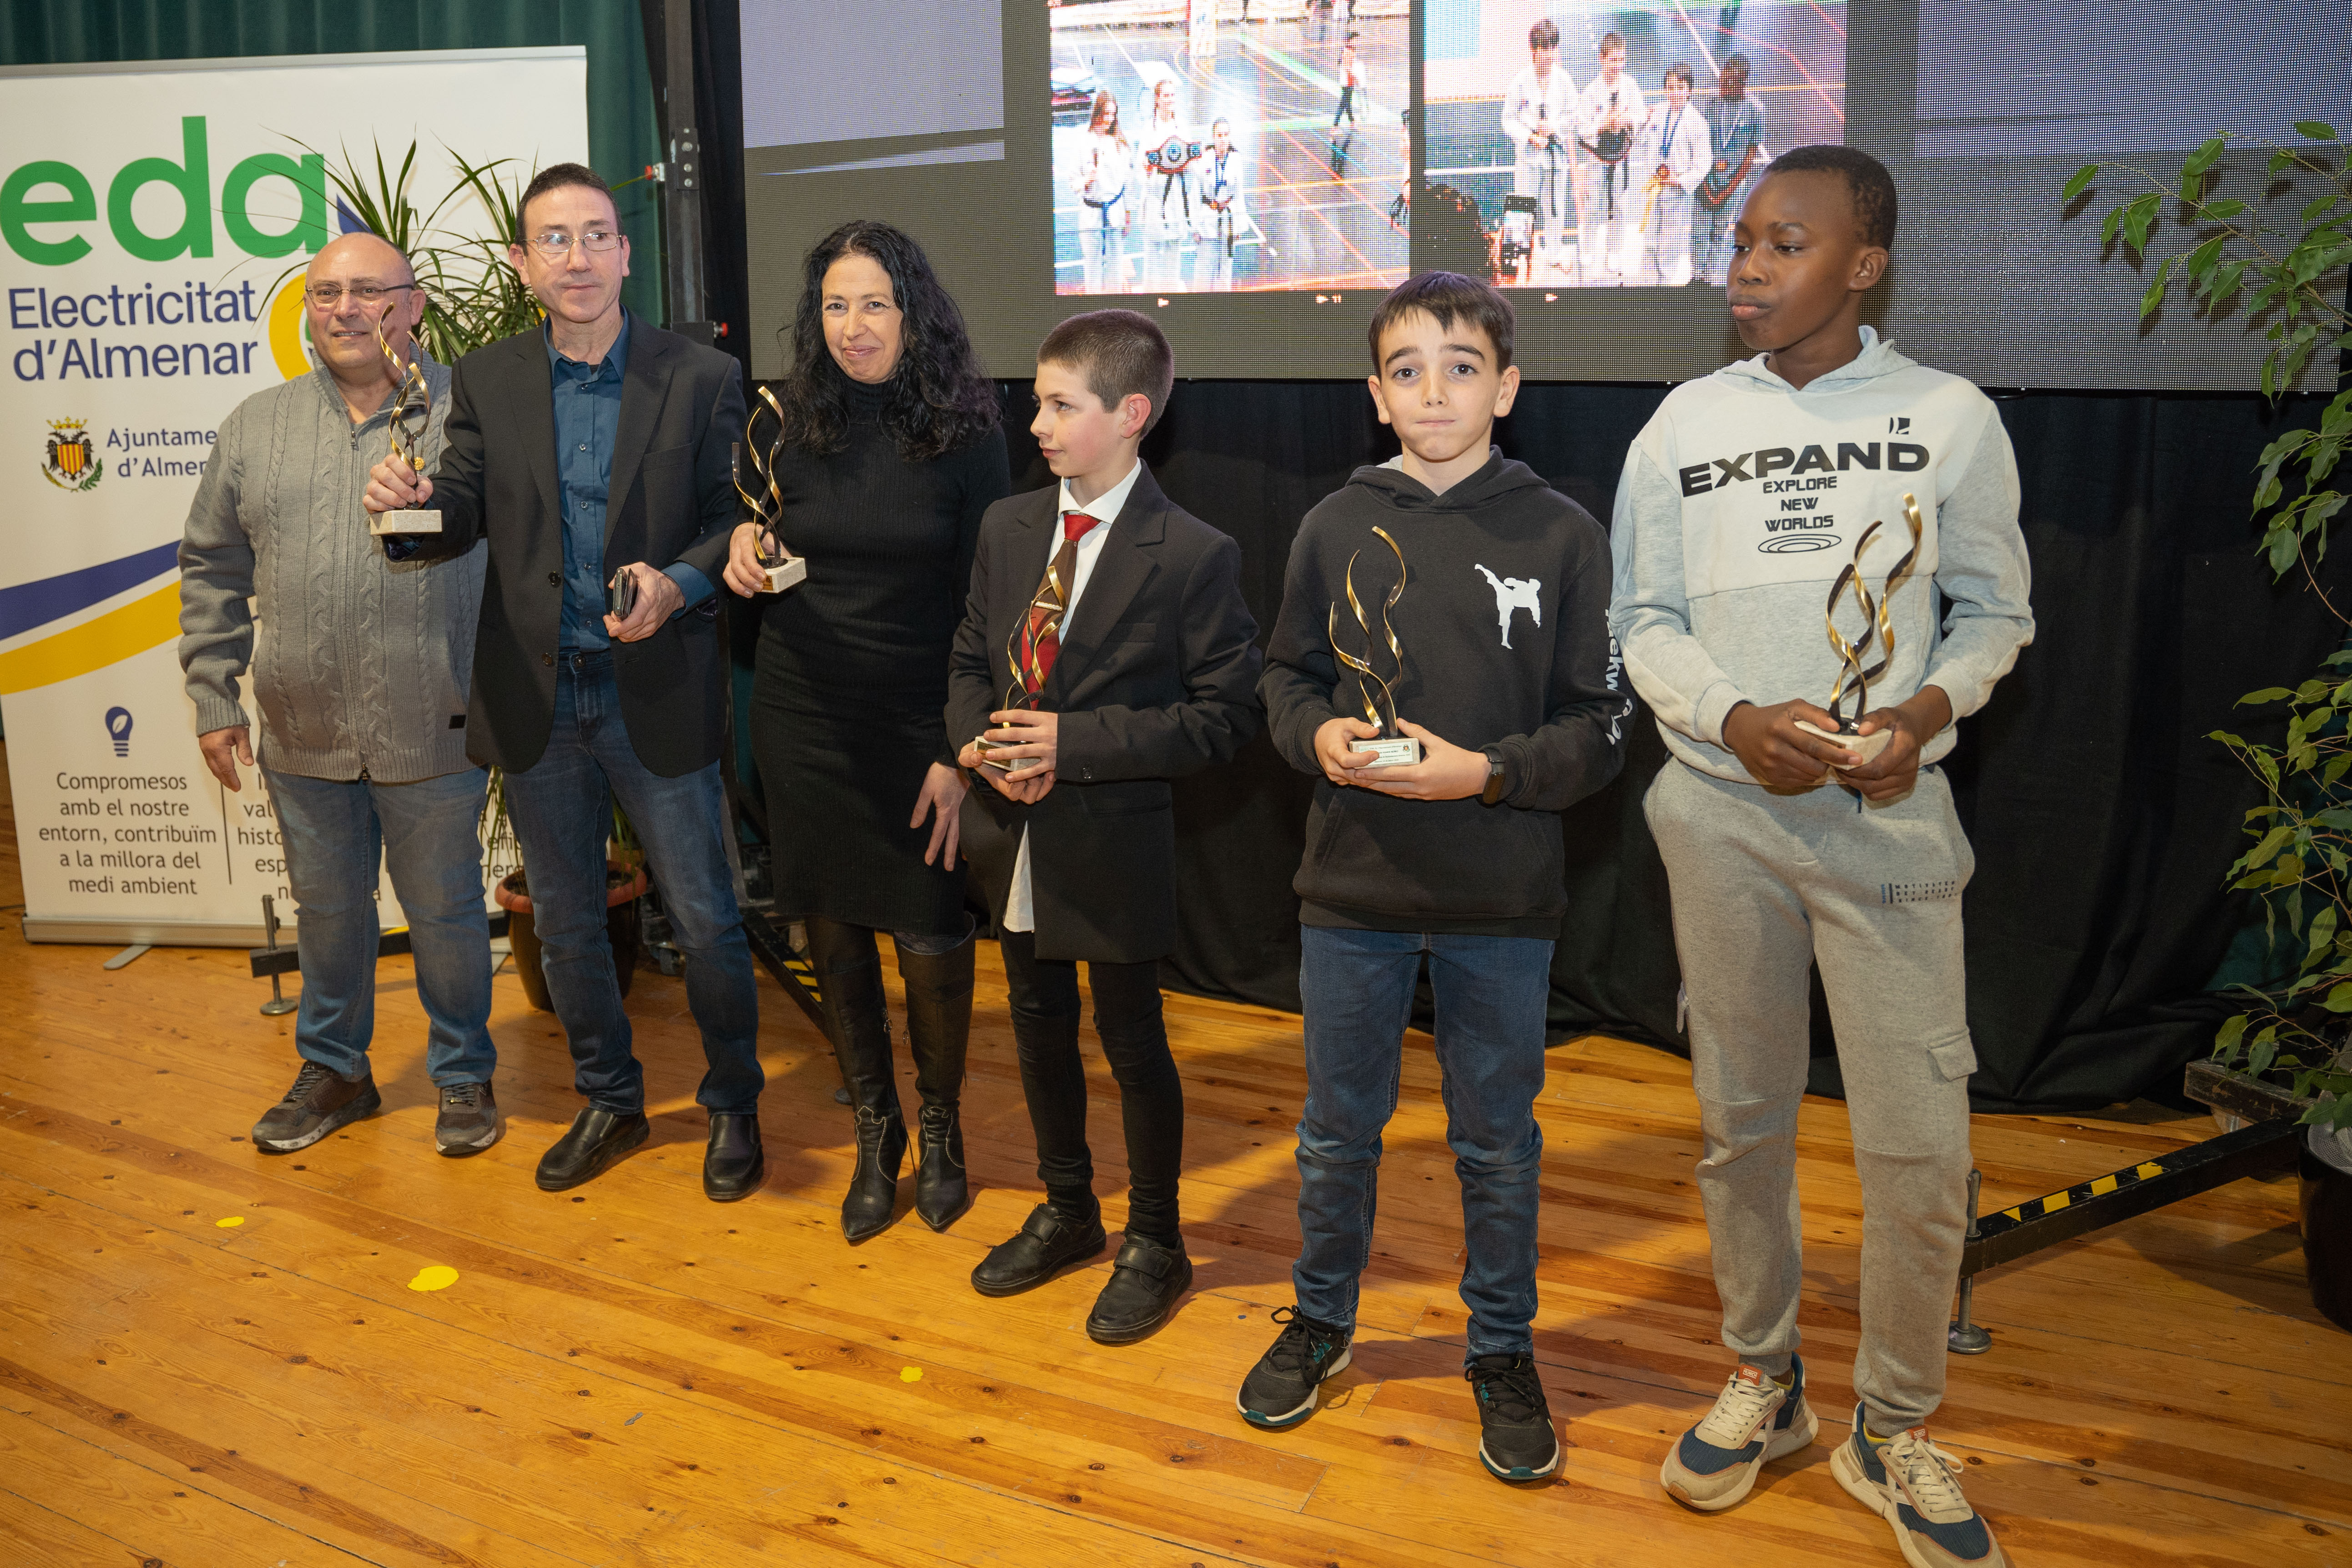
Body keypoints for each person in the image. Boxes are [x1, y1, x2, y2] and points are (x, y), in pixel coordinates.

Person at [1609, 146, 2030, 1566]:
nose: (1747, 264)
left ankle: (1892, 1423)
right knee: (1740, 1119)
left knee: (1919, 1147)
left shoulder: (1950, 418)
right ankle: (1765, 1376)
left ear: (1864, 265)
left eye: (1785, 243)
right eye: (1741, 239)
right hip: (1717, 816)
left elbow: (1994, 615)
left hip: (1884, 827)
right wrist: (1730, 716)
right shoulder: (1681, 423)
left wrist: (1924, 712)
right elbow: (1642, 620)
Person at [1241, 272, 1630, 1482]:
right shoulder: (1332, 525)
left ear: (1505, 387)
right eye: (1406, 370)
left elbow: (1600, 727)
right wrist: (1314, 735)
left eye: (1461, 367)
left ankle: (1500, 1347)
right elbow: (1283, 678)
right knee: (1334, 1133)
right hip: (1350, 893)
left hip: (1500, 902)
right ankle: (1320, 1319)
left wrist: (1489, 773)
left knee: (1497, 1144)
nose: (1434, 391)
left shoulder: (1562, 533)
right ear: (1375, 395)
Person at [364, 162, 762, 1201]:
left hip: (654, 688)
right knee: (570, 923)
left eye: (595, 236)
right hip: (538, 696)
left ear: (625, 254)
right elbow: (459, 507)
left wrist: (679, 584)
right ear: (521, 263)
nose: (577, 257)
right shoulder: (486, 379)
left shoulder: (700, 376)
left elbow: (734, 520)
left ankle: (733, 1102)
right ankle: (610, 1098)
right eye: (554, 239)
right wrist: (411, 504)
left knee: (706, 917)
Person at [945, 310, 1262, 1345]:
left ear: (1130, 414)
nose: (1034, 423)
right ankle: (1068, 1205)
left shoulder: (1193, 554)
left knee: (1130, 1038)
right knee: (1035, 1018)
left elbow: (1224, 717)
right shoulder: (1007, 527)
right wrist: (975, 744)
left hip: (1111, 840)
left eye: (1058, 405)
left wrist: (1070, 743)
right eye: (1036, 402)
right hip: (1011, 832)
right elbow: (969, 657)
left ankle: (1156, 1239)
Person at [180, 232, 498, 1160]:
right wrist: (214, 694)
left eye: (368, 291)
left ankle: (462, 1071)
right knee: (327, 914)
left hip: (433, 721)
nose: (345, 310)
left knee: (445, 914)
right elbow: (211, 566)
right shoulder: (256, 425)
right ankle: (335, 1070)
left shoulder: (472, 420)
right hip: (302, 727)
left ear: (415, 304)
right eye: (326, 294)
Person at [722, 220, 1009, 1242]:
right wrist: (743, 545)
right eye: (835, 305)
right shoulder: (785, 422)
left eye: (875, 304)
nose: (853, 326)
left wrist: (956, 752)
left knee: (930, 932)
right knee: (833, 930)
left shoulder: (969, 434)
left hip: (919, 723)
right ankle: (875, 1130)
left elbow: (989, 605)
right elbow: (746, 525)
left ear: (913, 314)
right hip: (801, 718)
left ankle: (940, 1126)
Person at [1500, 18, 1575, 271]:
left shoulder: (1564, 81)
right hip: (1529, 157)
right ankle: (1520, 258)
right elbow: (1508, 120)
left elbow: (1574, 117)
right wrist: (1530, 136)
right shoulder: (1520, 81)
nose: (1548, 55)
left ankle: (1554, 255)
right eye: (1543, 48)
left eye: (1552, 48)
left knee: (1555, 207)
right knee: (1522, 207)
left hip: (1555, 156)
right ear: (1533, 49)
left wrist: (1553, 127)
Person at [1572, 31, 1645, 283]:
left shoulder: (1630, 86)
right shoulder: (1592, 92)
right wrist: (1603, 124)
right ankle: (1593, 259)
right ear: (1602, 59)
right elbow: (1581, 128)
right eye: (1613, 60)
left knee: (1620, 210)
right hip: (1599, 161)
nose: (1618, 65)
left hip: (1622, 160)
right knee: (1596, 211)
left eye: (1621, 59)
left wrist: (1626, 120)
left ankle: (1614, 258)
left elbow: (1641, 116)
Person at [1633, 63, 1710, 287]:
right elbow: (1641, 144)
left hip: (1677, 194)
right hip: (1655, 187)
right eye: (1670, 87)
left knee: (1670, 245)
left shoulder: (1697, 122)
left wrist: (1678, 180)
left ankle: (1667, 289)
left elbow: (1703, 164)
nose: (1675, 92)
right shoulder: (1657, 113)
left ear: (1689, 90)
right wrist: (1644, 122)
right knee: (1649, 241)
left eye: (1680, 87)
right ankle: (1649, 285)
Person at [1692, 54, 1766, 286]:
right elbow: (1699, 148)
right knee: (1700, 230)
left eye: (1728, 81)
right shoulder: (1708, 107)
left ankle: (1715, 280)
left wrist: (1730, 188)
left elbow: (1750, 155)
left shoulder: (1754, 112)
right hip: (1706, 181)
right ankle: (1698, 277)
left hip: (1733, 185)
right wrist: (1705, 181)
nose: (1722, 86)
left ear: (1741, 82)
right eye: (1722, 80)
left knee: (1723, 233)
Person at [1137, 78, 1194, 293]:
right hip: (1155, 195)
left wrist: (1191, 163)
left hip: (1177, 195)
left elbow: (1190, 160)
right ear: (1157, 99)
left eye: (1173, 95)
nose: (1170, 99)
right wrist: (1146, 168)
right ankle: (1150, 296)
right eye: (1166, 95)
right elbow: (1140, 163)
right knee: (1152, 251)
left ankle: (1171, 296)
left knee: (1174, 251)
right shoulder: (1149, 129)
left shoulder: (1182, 126)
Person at [1074, 91, 1131, 294]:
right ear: (1097, 113)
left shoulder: (1120, 143)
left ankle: (1114, 305)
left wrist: (1127, 213)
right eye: (1106, 114)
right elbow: (1073, 180)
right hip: (1091, 213)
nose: (1109, 119)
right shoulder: (1083, 142)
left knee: (1115, 264)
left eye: (1113, 114)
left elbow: (1127, 182)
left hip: (1115, 210)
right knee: (1092, 264)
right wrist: (1086, 181)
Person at [1192, 117, 1251, 292]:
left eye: (1226, 135)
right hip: (1208, 217)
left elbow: (1239, 195)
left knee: (1225, 270)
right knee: (1204, 269)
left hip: (1228, 220)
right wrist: (1195, 227)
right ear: (1214, 137)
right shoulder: (1204, 159)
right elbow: (1196, 194)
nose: (1223, 139)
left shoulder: (1236, 159)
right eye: (1219, 135)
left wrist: (1239, 226)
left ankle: (1223, 302)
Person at [1332, 35, 1363, 129]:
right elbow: (1347, 68)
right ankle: (1335, 125)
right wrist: (1355, 78)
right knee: (1344, 103)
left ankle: (1352, 121)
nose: (1357, 43)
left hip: (1348, 81)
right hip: (1347, 81)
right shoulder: (1348, 52)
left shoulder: (1349, 51)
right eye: (1355, 40)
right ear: (1350, 41)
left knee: (1347, 102)